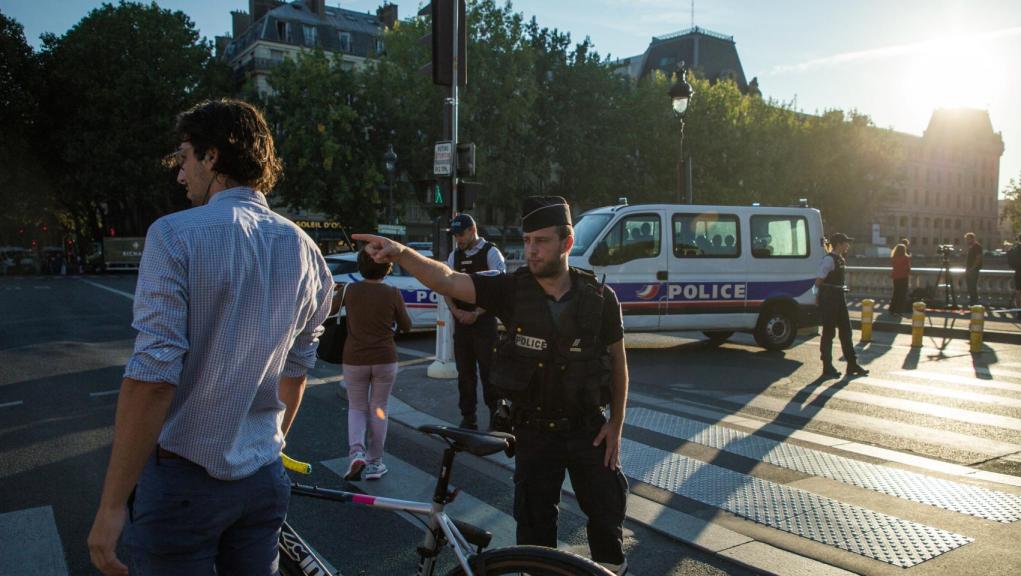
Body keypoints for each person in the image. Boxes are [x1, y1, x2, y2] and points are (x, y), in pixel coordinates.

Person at [87, 99, 334, 576]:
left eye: (183, 157)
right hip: (263, 477)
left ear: (213, 156)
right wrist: (265, 447)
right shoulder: (306, 249)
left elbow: (154, 377)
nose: (180, 175)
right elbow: (297, 372)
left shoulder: (174, 235)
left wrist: (112, 503)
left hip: (185, 480)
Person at [353, 196, 630, 575]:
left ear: (567, 243)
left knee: (607, 523)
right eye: (527, 240)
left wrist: (616, 424)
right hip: (534, 434)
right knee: (534, 537)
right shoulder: (511, 289)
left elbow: (618, 363)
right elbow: (447, 279)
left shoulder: (599, 298)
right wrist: (400, 252)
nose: (531, 250)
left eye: (541, 241)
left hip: (588, 431)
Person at [342, 250, 412, 481]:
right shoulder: (392, 292)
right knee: (379, 407)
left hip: (354, 358)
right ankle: (375, 463)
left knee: (356, 407)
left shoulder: (349, 290)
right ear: (386, 267)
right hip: (385, 357)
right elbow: (407, 325)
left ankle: (356, 452)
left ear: (361, 266)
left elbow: (329, 312)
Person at [444, 214, 506, 430]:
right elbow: (446, 285)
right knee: (465, 375)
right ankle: (468, 418)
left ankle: (497, 417)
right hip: (461, 323)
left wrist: (476, 313)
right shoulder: (454, 255)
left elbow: (499, 288)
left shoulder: (491, 252)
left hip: (484, 323)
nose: (458, 239)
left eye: (461, 234)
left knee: (490, 373)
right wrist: (455, 310)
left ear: (472, 230)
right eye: (455, 236)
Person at [815, 233, 869, 379]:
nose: (848, 245)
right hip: (829, 298)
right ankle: (827, 366)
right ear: (839, 243)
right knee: (829, 333)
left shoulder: (839, 259)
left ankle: (852, 364)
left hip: (839, 297)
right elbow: (818, 281)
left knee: (846, 331)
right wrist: (816, 297)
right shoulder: (828, 260)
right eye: (846, 242)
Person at [889, 243, 911, 316]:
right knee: (902, 294)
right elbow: (908, 268)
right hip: (903, 277)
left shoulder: (894, 258)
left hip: (895, 277)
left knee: (896, 293)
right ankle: (899, 311)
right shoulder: (905, 258)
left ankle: (892, 309)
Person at [964, 232, 983, 306]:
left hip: (973, 270)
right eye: (966, 239)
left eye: (968, 239)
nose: (967, 241)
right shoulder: (971, 247)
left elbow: (978, 259)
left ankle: (974, 302)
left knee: (972, 286)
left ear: (972, 238)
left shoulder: (977, 247)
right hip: (970, 269)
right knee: (970, 286)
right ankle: (972, 301)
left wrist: (971, 269)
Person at [1007, 232, 1021, 319]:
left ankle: (1019, 311)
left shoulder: (1015, 249)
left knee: (1018, 292)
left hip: (1019, 272)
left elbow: (1009, 256)